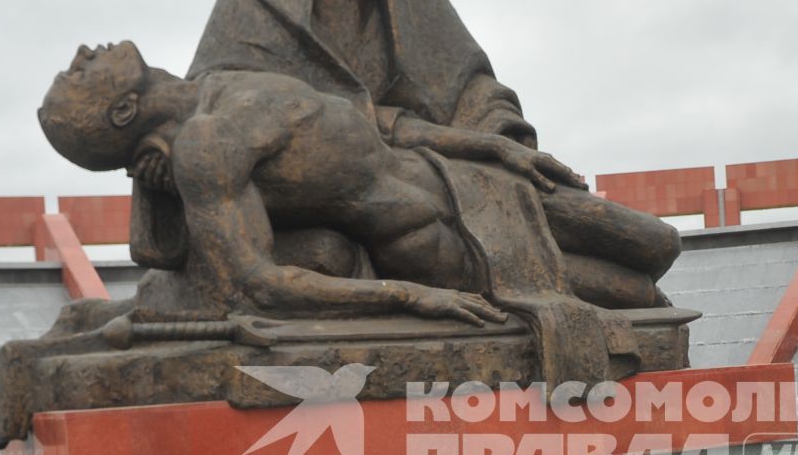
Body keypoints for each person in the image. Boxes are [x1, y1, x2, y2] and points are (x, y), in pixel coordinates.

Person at [182, 0, 675, 308]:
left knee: (653, 244)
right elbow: (207, 99)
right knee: (628, 289)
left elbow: (474, 86)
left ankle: (633, 298)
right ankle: (634, 301)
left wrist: (499, 137)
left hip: (451, 164)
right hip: (353, 193)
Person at [38, 40, 674, 323]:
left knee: (661, 244)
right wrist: (408, 296)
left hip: (473, 181)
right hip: (443, 250)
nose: (81, 55)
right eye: (76, 77)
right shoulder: (205, 147)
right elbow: (256, 283)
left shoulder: (223, 81)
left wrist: (497, 150)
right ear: (120, 111)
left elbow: (389, 131)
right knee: (638, 294)